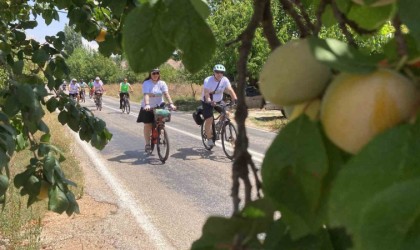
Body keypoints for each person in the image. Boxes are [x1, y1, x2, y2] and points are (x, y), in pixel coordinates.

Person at [137, 69, 176, 152]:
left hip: (159, 106)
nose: (155, 75)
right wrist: (147, 104)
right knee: (148, 125)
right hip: (148, 107)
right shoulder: (147, 83)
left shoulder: (162, 83)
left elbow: (166, 94)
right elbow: (146, 94)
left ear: (159, 74)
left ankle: (160, 134)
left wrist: (171, 103)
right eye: (153, 73)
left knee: (161, 123)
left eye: (157, 73)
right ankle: (147, 144)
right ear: (150, 74)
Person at [201, 64, 238, 147]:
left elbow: (230, 90)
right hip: (207, 101)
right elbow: (206, 94)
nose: (219, 74)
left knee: (226, 113)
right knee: (209, 119)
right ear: (214, 72)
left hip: (219, 100)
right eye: (217, 72)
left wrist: (235, 99)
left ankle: (218, 125)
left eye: (221, 72)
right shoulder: (208, 80)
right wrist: (210, 101)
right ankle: (209, 138)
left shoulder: (224, 80)